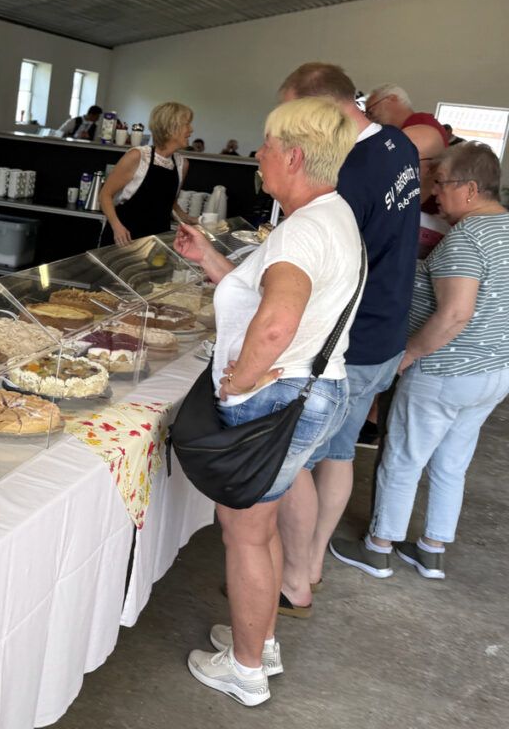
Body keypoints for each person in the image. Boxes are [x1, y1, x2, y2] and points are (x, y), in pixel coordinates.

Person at [174, 97, 360, 706]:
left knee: (246, 533)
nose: (258, 154)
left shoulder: (301, 231)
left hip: (276, 397)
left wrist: (240, 379)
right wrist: (209, 258)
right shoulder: (330, 215)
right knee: (264, 522)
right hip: (313, 390)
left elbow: (277, 321)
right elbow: (265, 297)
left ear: (295, 157)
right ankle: (263, 641)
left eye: (268, 145)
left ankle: (246, 670)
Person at [273, 63, 421, 615]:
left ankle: (292, 578)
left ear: (322, 107)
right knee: (338, 452)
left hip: (348, 339)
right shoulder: (396, 144)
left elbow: (322, 263)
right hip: (386, 329)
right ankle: (310, 564)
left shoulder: (350, 169)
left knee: (293, 461)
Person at [331, 143, 509, 581]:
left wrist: (409, 354)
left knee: (403, 457)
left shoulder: (467, 238)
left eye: (441, 183)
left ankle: (379, 547)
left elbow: (454, 315)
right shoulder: (504, 227)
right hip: (493, 371)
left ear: (470, 189)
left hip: (445, 371)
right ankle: (432, 549)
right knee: (452, 461)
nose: (434, 193)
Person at [365, 83, 449, 257]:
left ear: (392, 99)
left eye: (371, 111)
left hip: (423, 219)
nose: (370, 118)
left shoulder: (421, 125)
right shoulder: (405, 131)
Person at [98, 102, 193, 246]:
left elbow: (170, 202)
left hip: (157, 242)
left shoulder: (182, 164)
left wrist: (188, 219)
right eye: (187, 124)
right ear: (170, 128)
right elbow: (105, 195)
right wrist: (117, 227)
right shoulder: (138, 156)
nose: (191, 129)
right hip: (124, 239)